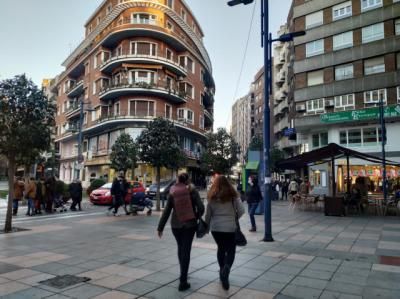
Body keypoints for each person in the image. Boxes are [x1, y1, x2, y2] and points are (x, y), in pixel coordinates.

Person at [157, 173, 204, 292]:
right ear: (188, 180)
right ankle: (183, 281)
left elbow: (167, 210)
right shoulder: (192, 191)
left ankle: (183, 272)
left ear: (178, 180)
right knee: (186, 250)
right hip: (189, 225)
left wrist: (160, 227)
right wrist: (196, 216)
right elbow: (201, 207)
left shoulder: (173, 191)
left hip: (176, 226)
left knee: (180, 247)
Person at [205, 175, 244, 290]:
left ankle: (222, 270)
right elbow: (242, 211)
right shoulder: (233, 196)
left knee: (221, 248)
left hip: (216, 229)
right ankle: (226, 268)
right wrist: (234, 218)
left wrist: (206, 227)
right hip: (230, 228)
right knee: (231, 250)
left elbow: (208, 215)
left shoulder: (211, 196)